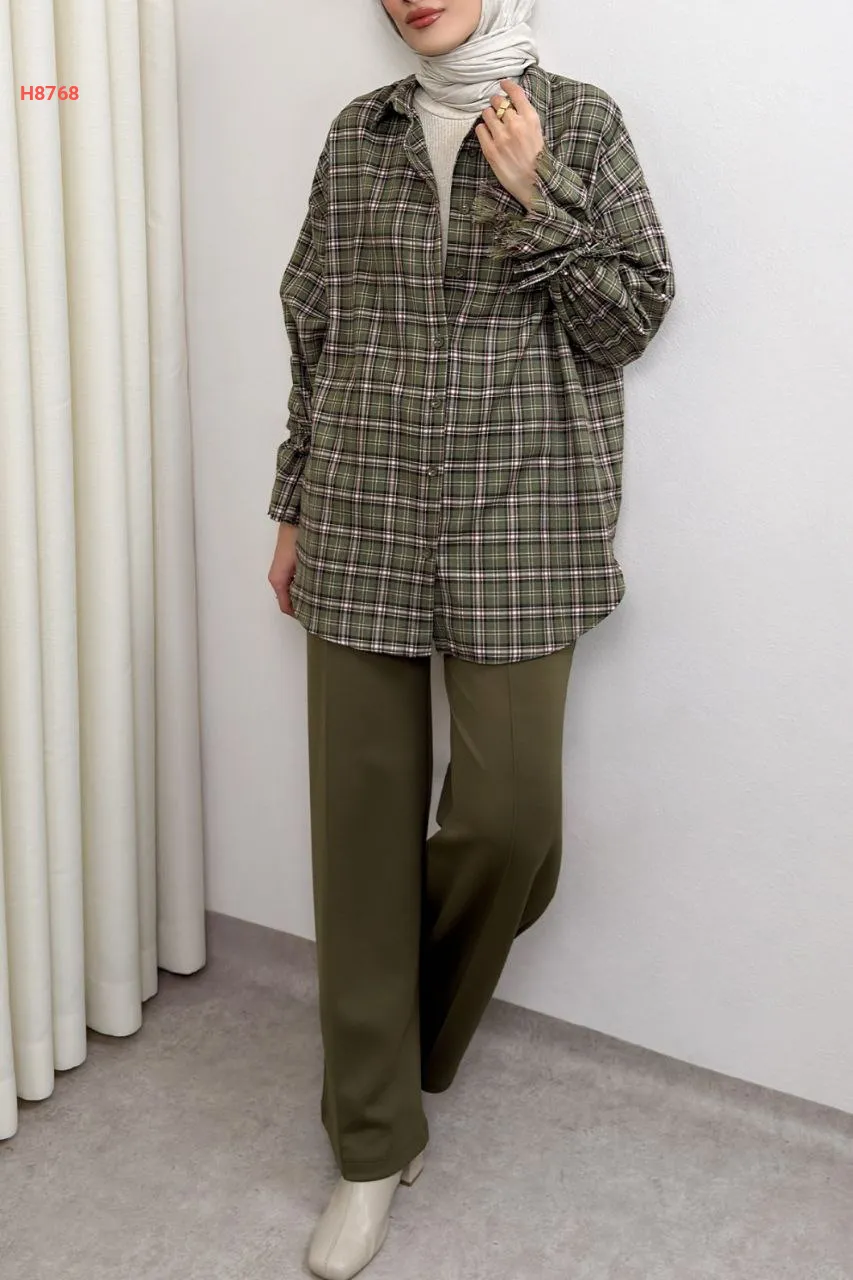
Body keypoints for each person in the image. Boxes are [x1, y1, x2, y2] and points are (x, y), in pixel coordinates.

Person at [267, 1, 675, 1275]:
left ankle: (397, 1046)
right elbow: (313, 329)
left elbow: (631, 319)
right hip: (359, 518)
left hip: (521, 526)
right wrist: (292, 502)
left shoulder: (583, 123)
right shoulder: (359, 134)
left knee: (510, 825)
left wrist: (539, 193)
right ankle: (369, 1141)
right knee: (357, 837)